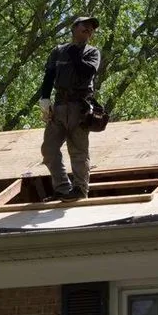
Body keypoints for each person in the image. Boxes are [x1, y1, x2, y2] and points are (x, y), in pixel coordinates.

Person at [38, 16, 102, 202]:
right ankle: (63, 189)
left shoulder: (92, 52)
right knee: (49, 149)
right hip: (59, 106)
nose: (89, 30)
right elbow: (49, 75)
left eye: (92, 29)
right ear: (74, 28)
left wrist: (76, 53)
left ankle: (80, 189)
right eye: (85, 26)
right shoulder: (58, 51)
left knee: (78, 150)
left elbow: (87, 72)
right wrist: (44, 98)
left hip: (78, 107)